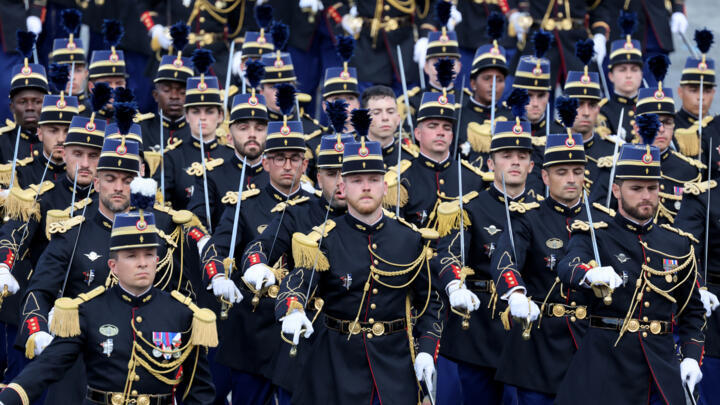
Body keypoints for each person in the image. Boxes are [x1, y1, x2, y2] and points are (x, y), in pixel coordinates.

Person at [277, 138, 443, 405]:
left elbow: (429, 303)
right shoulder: (324, 239)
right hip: (336, 364)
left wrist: (426, 350)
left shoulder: (409, 239)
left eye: (373, 179)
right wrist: (292, 310)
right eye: (356, 180)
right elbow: (297, 283)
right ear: (342, 186)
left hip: (395, 366)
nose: (366, 187)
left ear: (385, 185)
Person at [555, 114, 706, 405]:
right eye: (636, 188)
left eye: (652, 188)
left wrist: (690, 357)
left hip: (658, 367)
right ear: (616, 190)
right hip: (605, 364)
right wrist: (589, 274)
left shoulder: (677, 243)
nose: (646, 196)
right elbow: (568, 265)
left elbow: (692, 313)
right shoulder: (596, 233)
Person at [0, 208, 216, 404]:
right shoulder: (89, 310)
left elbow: (198, 391)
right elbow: (50, 364)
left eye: (149, 255)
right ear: (113, 266)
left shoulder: (182, 313)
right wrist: (10, 397)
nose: (143, 263)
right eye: (132, 256)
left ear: (157, 260)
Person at [199, 89, 316, 404]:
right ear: (265, 163)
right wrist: (217, 276)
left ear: (305, 164)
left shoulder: (317, 209)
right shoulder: (245, 206)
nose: (287, 166)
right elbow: (218, 246)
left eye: (294, 159)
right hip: (252, 328)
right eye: (279, 158)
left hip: (299, 327)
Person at [433, 91, 539, 405]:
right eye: (507, 155)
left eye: (522, 156)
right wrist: (454, 285)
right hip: (478, 328)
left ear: (532, 165)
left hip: (528, 328)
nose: (515, 161)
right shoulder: (470, 209)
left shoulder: (542, 212)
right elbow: (448, 253)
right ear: (491, 162)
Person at [239, 131, 353, 403]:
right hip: (307, 336)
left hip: (359, 344)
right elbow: (261, 246)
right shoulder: (298, 212)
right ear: (316, 177)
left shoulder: (379, 222)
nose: (340, 182)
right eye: (331, 173)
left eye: (346, 173)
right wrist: (257, 266)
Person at [488, 101, 589, 405]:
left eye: (577, 171)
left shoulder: (600, 220)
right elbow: (505, 259)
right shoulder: (528, 218)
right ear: (545, 177)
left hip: (589, 343)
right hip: (541, 342)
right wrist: (515, 293)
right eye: (562, 172)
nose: (571, 179)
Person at [0, 109, 104, 385]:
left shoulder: (114, 205)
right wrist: (3, 265)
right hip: (46, 313)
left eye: (93, 156)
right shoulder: (41, 197)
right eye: (78, 154)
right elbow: (15, 233)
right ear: (65, 154)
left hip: (100, 322)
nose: (85, 163)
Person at [386, 62, 490, 229]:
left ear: (452, 135)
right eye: (433, 126)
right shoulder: (401, 181)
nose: (440, 132)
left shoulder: (473, 178)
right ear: (418, 134)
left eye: (446, 127)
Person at [187, 60, 270, 230]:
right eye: (243, 128)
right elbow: (195, 223)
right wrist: (206, 247)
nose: (252, 134)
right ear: (229, 137)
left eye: (259, 128)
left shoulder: (280, 176)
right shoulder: (210, 176)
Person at [159, 48, 234, 210]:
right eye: (195, 111)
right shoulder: (173, 156)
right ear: (186, 116)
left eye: (209, 111)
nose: (202, 117)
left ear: (221, 116)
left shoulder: (231, 155)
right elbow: (163, 204)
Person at [675, 178, 720, 405]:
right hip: (715, 299)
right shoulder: (703, 197)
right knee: (712, 384)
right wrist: (698, 286)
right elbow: (685, 249)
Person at [457, 12, 513, 169]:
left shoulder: (510, 118)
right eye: (487, 78)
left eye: (499, 80)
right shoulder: (458, 117)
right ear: (473, 83)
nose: (493, 85)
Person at [511, 30, 564, 196]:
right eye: (528, 95)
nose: (534, 103)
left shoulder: (559, 133)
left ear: (548, 96)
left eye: (540, 96)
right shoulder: (502, 127)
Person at [562, 40, 615, 195]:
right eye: (579, 104)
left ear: (598, 109)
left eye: (591, 105)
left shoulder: (612, 151)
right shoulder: (550, 147)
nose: (585, 112)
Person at [139, 21, 194, 153]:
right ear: (155, 95)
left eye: (182, 91)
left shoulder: (198, 133)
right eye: (167, 90)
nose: (174, 96)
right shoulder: (140, 130)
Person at [674, 30, 720, 177]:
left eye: (706, 91)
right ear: (680, 92)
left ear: (713, 93)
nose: (701, 97)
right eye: (694, 90)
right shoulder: (670, 125)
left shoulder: (716, 126)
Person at [0, 33, 49, 166]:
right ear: (12, 107)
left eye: (37, 101)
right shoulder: (2, 142)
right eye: (22, 102)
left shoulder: (58, 141)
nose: (30, 107)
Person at [14, 91, 79, 188]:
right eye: (53, 131)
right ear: (40, 134)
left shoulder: (84, 176)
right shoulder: (20, 174)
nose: (61, 139)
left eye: (67, 131)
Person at [598, 11, 643, 143]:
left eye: (634, 70)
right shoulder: (603, 110)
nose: (629, 75)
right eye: (622, 70)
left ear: (641, 74)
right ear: (611, 76)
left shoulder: (650, 108)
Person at [49, 9, 92, 115]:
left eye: (77, 70)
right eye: (65, 70)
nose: (71, 76)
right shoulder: (45, 107)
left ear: (86, 73)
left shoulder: (93, 111)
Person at [361, 85, 415, 168]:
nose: (385, 118)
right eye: (376, 113)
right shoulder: (351, 156)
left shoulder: (410, 160)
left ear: (398, 118)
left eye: (390, 112)